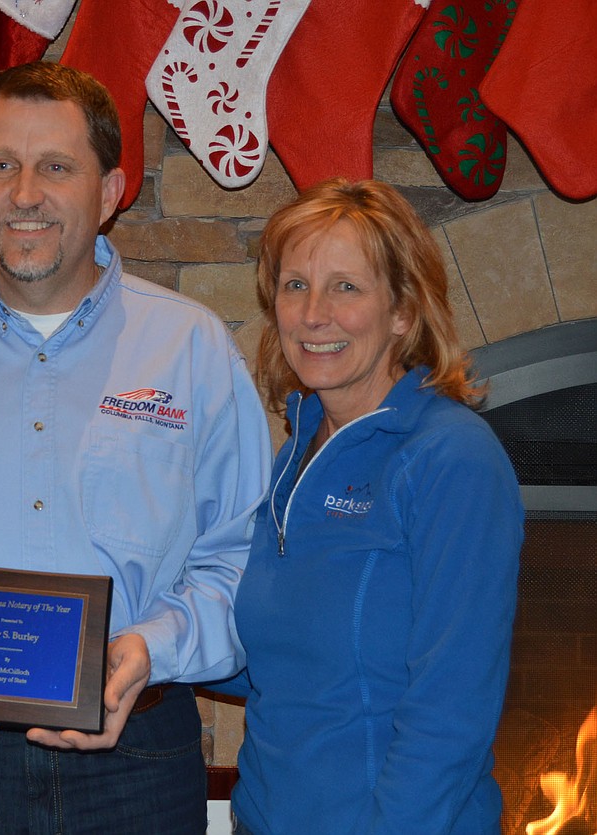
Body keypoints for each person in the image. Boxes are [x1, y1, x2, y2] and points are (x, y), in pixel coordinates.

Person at [0, 61, 271, 834]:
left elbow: (242, 558)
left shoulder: (192, 349)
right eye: (3, 165)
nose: (25, 193)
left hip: (136, 751)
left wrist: (150, 647)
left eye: (56, 167)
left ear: (110, 191)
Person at [223, 179, 523, 834]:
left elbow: (451, 711)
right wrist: (133, 642)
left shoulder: (452, 459)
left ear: (403, 313)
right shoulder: (299, 450)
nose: (312, 313)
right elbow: (280, 660)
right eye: (295, 284)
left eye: (346, 287)